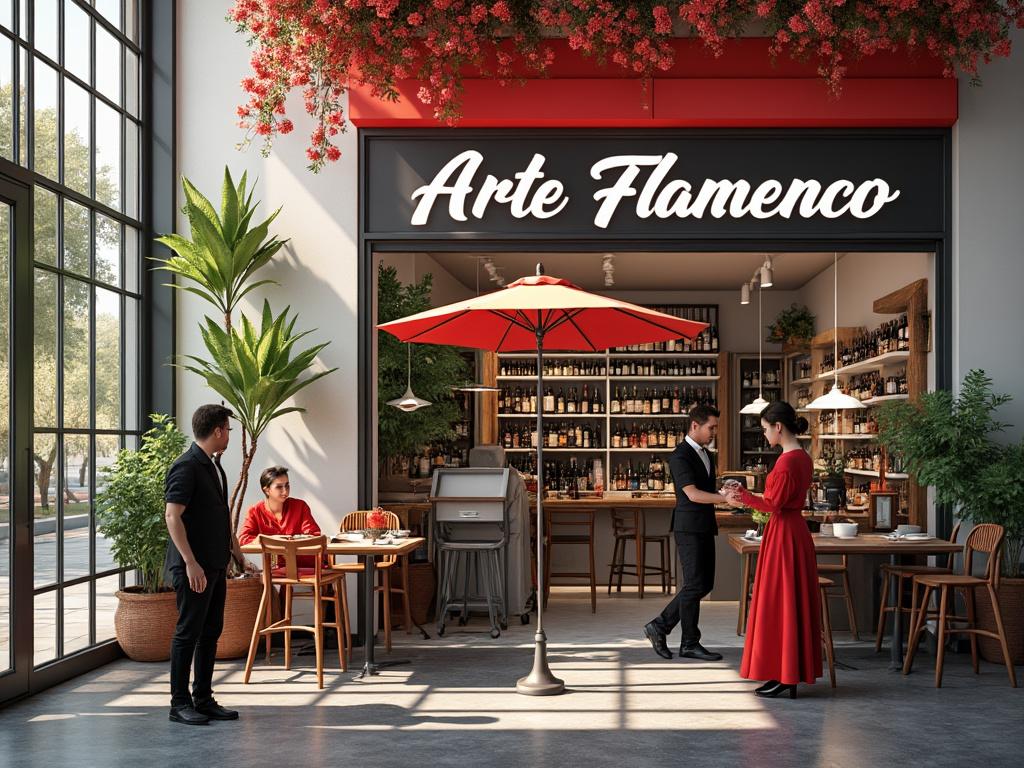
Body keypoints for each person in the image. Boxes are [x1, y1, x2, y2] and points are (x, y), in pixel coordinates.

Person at [722, 400, 821, 699]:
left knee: (778, 602)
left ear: (778, 427)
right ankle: (784, 673)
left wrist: (741, 497)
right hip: (793, 531)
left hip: (783, 534)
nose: (764, 435)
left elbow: (773, 504)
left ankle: (785, 675)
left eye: (765, 429)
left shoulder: (787, 461)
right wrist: (748, 495)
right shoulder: (802, 458)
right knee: (786, 602)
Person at [164, 404, 251, 726]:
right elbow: (172, 516)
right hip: (193, 567)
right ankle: (179, 704)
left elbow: (220, 517)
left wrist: (237, 554)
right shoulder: (186, 466)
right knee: (188, 633)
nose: (229, 434)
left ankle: (202, 697)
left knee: (210, 632)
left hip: (215, 564)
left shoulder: (213, 466)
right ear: (217, 430)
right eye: (228, 428)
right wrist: (190, 563)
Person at [643, 404, 723, 662]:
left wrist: (725, 488)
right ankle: (673, 633)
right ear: (695, 426)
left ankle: (680, 637)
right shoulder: (680, 456)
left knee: (704, 583)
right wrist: (723, 499)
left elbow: (707, 488)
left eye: (716, 428)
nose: (714, 433)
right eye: (711, 428)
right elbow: (692, 493)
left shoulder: (707, 455)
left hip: (705, 524)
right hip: (688, 527)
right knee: (695, 584)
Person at [239, 466, 322, 566]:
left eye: (287, 485)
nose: (285, 491)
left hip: (310, 565)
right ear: (266, 490)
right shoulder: (255, 511)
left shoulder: (300, 506)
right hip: (277, 569)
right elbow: (243, 539)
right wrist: (270, 540)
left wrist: (287, 543)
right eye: (279, 487)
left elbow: (314, 535)